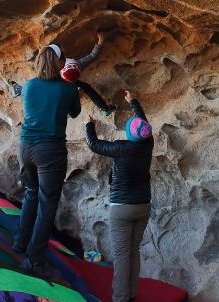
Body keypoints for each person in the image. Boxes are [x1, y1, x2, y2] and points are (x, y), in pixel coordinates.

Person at [12, 45, 81, 276]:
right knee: (47, 204)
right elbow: (75, 112)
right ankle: (33, 260)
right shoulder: (67, 89)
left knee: (31, 193)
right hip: (50, 150)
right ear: (60, 64)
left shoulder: (29, 85)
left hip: (25, 147)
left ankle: (19, 243)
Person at [84, 91, 154, 302]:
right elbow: (144, 124)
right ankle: (130, 295)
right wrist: (133, 100)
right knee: (133, 251)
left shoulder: (121, 148)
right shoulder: (148, 144)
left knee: (123, 255)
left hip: (122, 208)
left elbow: (94, 144)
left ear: (130, 134)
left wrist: (88, 124)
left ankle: (121, 299)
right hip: (143, 205)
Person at [10, 32, 116, 115]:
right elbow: (92, 56)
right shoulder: (78, 65)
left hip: (58, 90)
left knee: (36, 87)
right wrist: (101, 40)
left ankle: (19, 89)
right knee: (86, 88)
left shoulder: (50, 73)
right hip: (66, 88)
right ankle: (105, 108)